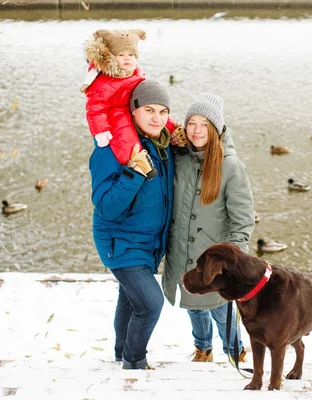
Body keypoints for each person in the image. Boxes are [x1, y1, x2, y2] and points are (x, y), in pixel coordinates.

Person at [89, 79, 174, 370]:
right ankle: (134, 362)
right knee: (150, 303)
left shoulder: (162, 146)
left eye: (163, 112)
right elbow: (107, 207)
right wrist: (134, 173)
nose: (157, 118)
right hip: (120, 241)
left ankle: (120, 352)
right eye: (149, 110)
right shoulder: (112, 148)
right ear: (133, 110)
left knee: (130, 299)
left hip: (149, 243)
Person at [163, 92, 255, 362]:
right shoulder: (179, 159)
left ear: (216, 128)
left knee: (220, 310)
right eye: (192, 122)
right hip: (183, 254)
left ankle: (234, 351)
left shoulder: (231, 167)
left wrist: (233, 260)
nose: (197, 130)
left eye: (205, 124)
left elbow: (242, 221)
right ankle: (203, 348)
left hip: (215, 262)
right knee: (193, 304)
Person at [81, 29, 176, 165]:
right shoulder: (101, 81)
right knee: (125, 136)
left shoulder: (137, 72)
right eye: (121, 55)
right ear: (112, 57)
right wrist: (100, 130)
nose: (127, 58)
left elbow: (146, 94)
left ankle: (175, 130)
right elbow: (95, 108)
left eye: (131, 54)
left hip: (137, 105)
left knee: (158, 113)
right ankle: (136, 163)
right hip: (117, 111)